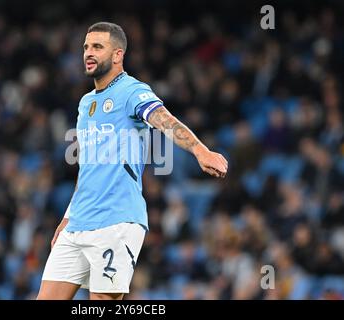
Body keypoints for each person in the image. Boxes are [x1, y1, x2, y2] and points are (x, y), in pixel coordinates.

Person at [36, 22, 228, 300]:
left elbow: (163, 119)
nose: (88, 53)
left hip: (115, 222)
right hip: (78, 222)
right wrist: (68, 215)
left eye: (97, 47)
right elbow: (88, 167)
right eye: (86, 47)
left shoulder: (132, 91)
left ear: (117, 54)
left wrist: (200, 150)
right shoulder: (85, 103)